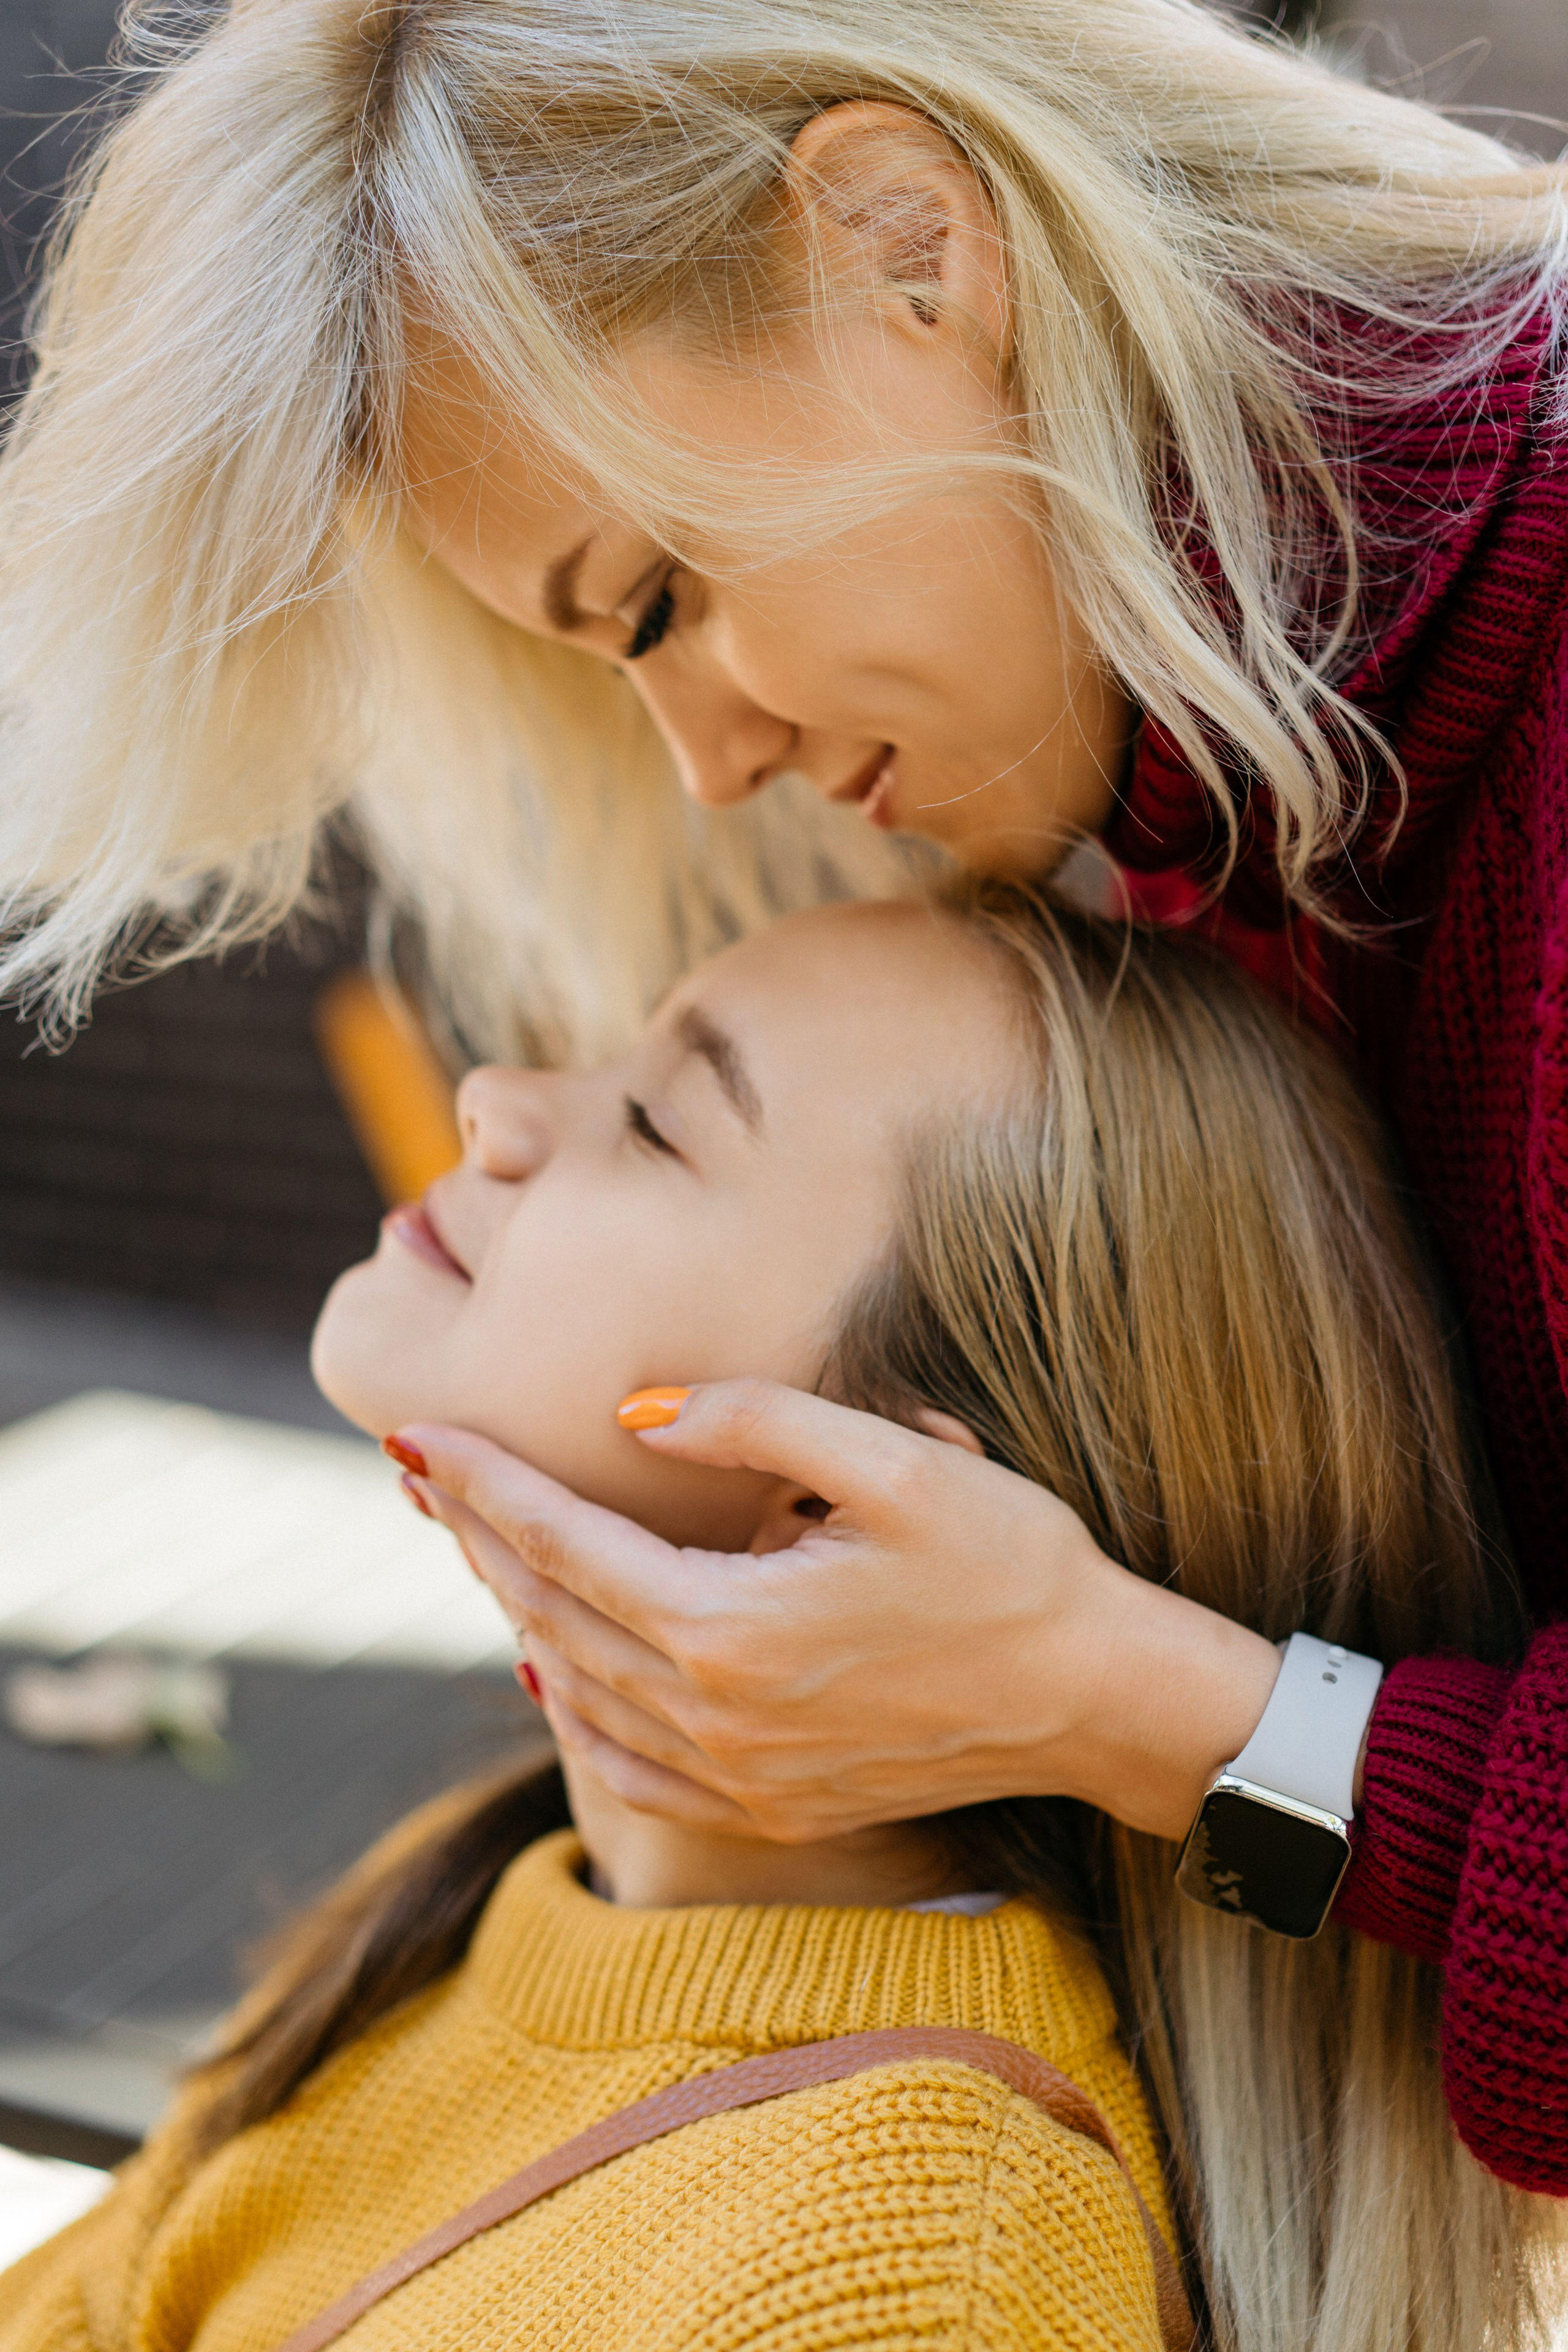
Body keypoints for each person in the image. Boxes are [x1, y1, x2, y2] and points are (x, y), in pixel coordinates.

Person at [0, 0, 1563, 2191]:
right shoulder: (1237, 827)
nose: (708, 760)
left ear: (908, 250)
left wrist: (1118, 1694)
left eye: (663, 596)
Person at [1, 884, 1551, 2352]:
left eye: (655, 1125)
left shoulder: (921, 2279)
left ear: (848, 1510)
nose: (495, 1099)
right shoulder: (494, 1888)